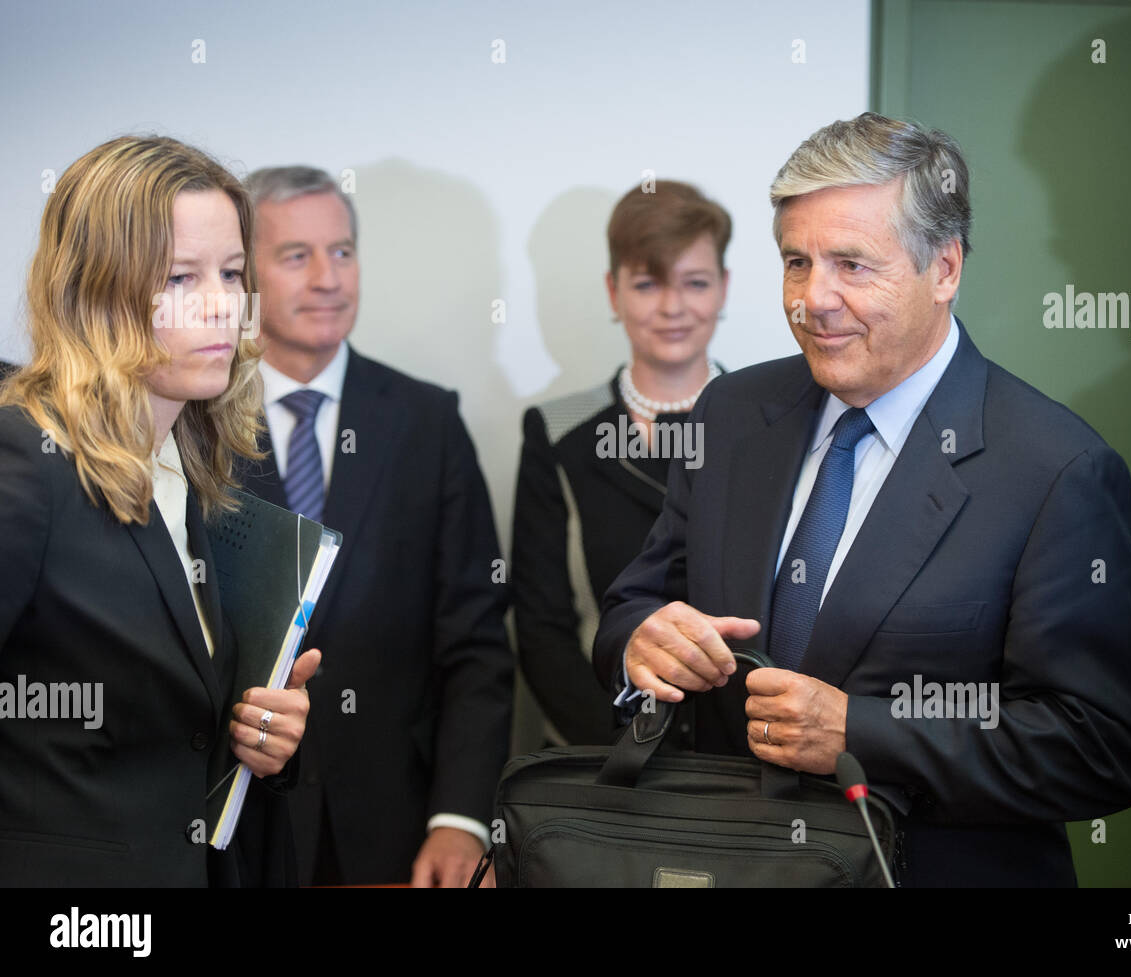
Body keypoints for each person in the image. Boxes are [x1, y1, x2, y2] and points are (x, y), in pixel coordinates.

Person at [593, 112, 1131, 887]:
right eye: (797, 261)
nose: (812, 299)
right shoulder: (730, 413)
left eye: (852, 265)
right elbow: (635, 604)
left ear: (946, 268)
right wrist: (638, 644)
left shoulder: (1059, 468)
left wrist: (861, 731)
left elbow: (1102, 745)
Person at [0, 135, 318, 887]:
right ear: (96, 286)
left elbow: (175, 736)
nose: (222, 303)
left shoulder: (192, 463)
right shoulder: (25, 459)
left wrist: (262, 747)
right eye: (180, 276)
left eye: (234, 272)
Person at [238, 166, 514, 887]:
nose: (328, 278)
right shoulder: (191, 422)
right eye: (296, 255)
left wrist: (461, 818)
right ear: (245, 276)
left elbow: (477, 643)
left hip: (397, 831)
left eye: (344, 251)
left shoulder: (427, 421)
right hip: (233, 827)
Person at [512, 180, 729, 747]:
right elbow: (543, 628)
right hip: (602, 763)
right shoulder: (556, 432)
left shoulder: (781, 420)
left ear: (724, 289)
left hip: (750, 759)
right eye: (647, 283)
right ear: (613, 292)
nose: (673, 307)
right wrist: (615, 756)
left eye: (696, 283)